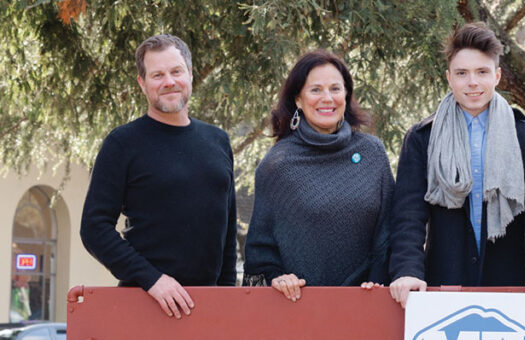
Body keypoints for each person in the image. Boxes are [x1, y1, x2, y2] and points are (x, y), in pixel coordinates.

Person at [389, 22, 525, 308]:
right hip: (442, 285)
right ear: (449, 78)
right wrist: (407, 271)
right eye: (462, 73)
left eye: (482, 72)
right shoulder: (423, 137)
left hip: (513, 286)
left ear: (496, 76)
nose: (472, 82)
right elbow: (408, 215)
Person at [80, 34, 236, 319]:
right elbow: (93, 228)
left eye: (176, 71)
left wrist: (225, 297)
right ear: (142, 83)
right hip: (144, 306)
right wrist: (152, 279)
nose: (169, 81)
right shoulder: (122, 143)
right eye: (157, 75)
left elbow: (226, 230)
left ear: (189, 73)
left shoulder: (218, 141)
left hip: (209, 309)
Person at [244, 51, 394, 301]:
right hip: (300, 309)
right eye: (315, 90)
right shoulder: (279, 164)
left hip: (370, 304)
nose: (327, 98)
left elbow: (390, 233)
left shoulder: (372, 153)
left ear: (346, 94)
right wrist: (277, 278)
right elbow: (260, 256)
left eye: (335, 88)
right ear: (298, 100)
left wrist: (378, 283)